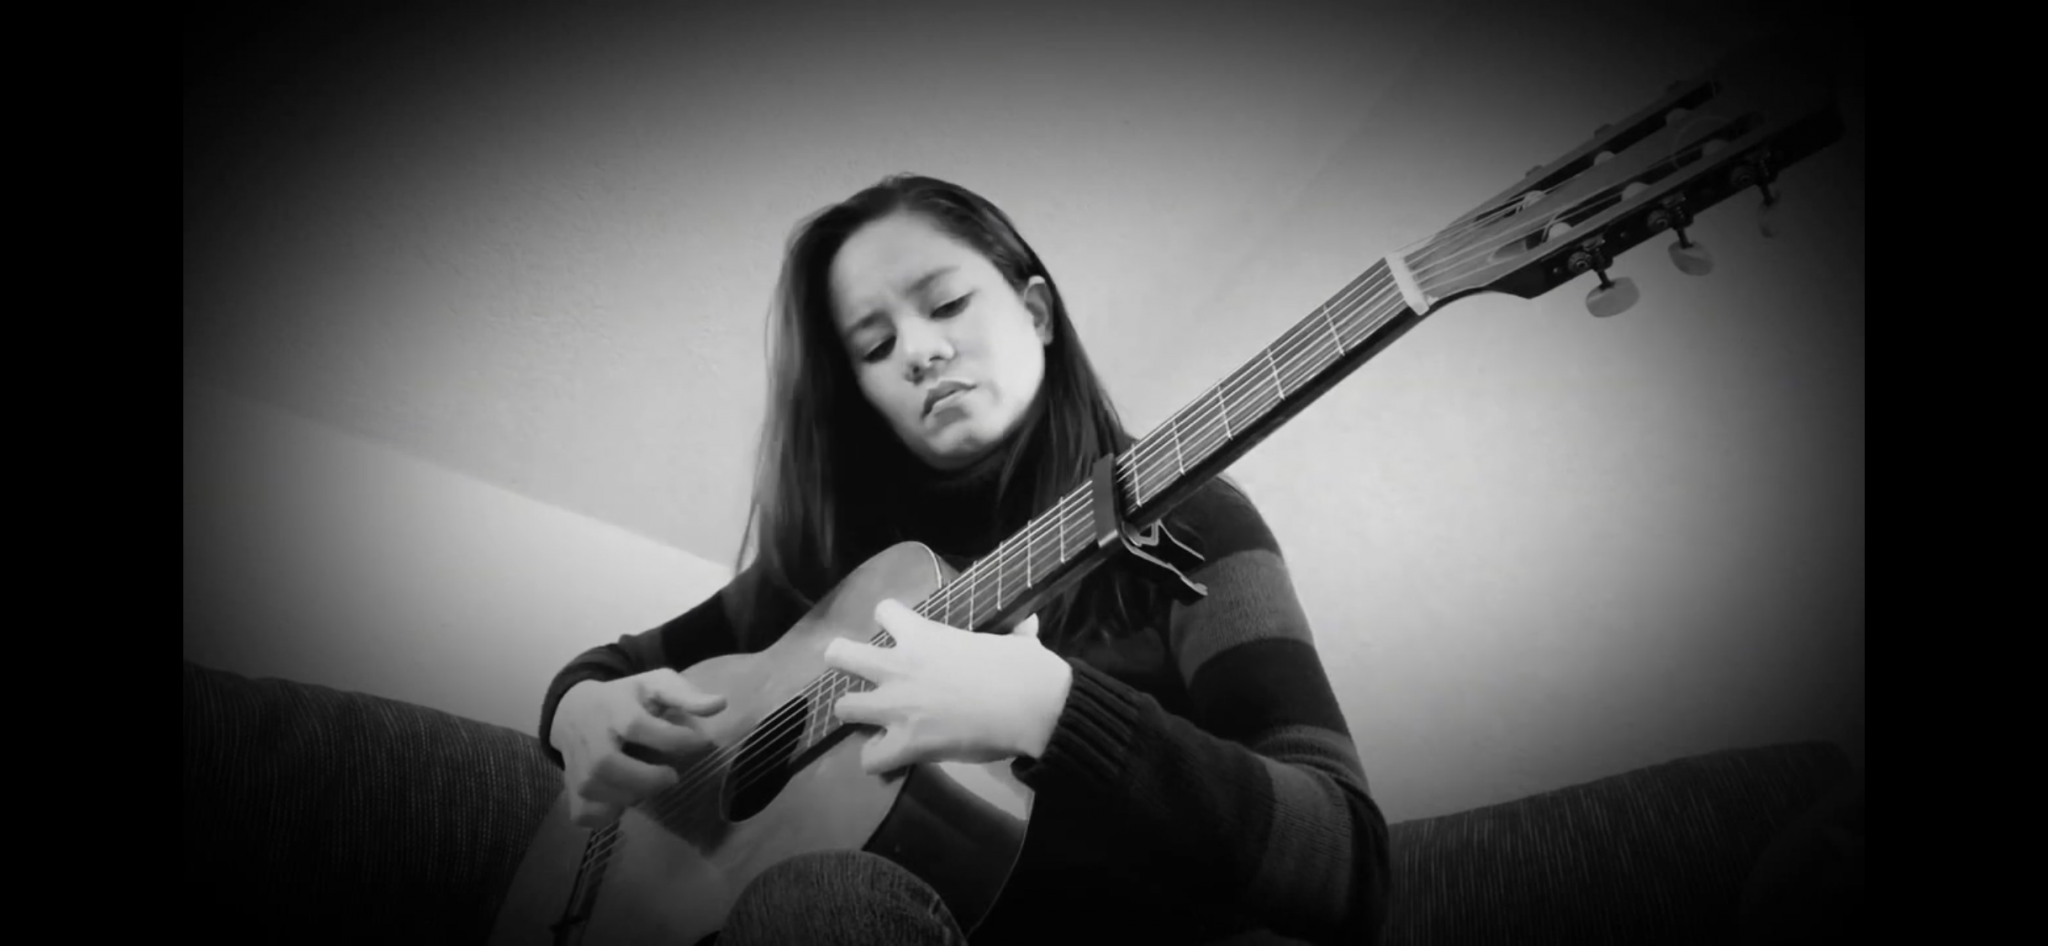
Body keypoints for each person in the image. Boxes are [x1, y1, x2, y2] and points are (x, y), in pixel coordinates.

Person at [538, 173, 1390, 945]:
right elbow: (612, 669)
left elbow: (1349, 863)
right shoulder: (833, 579)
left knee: (825, 898)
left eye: (945, 304)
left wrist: (1056, 712)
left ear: (1037, 313)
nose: (918, 351)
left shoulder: (1193, 519)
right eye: (875, 347)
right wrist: (578, 712)